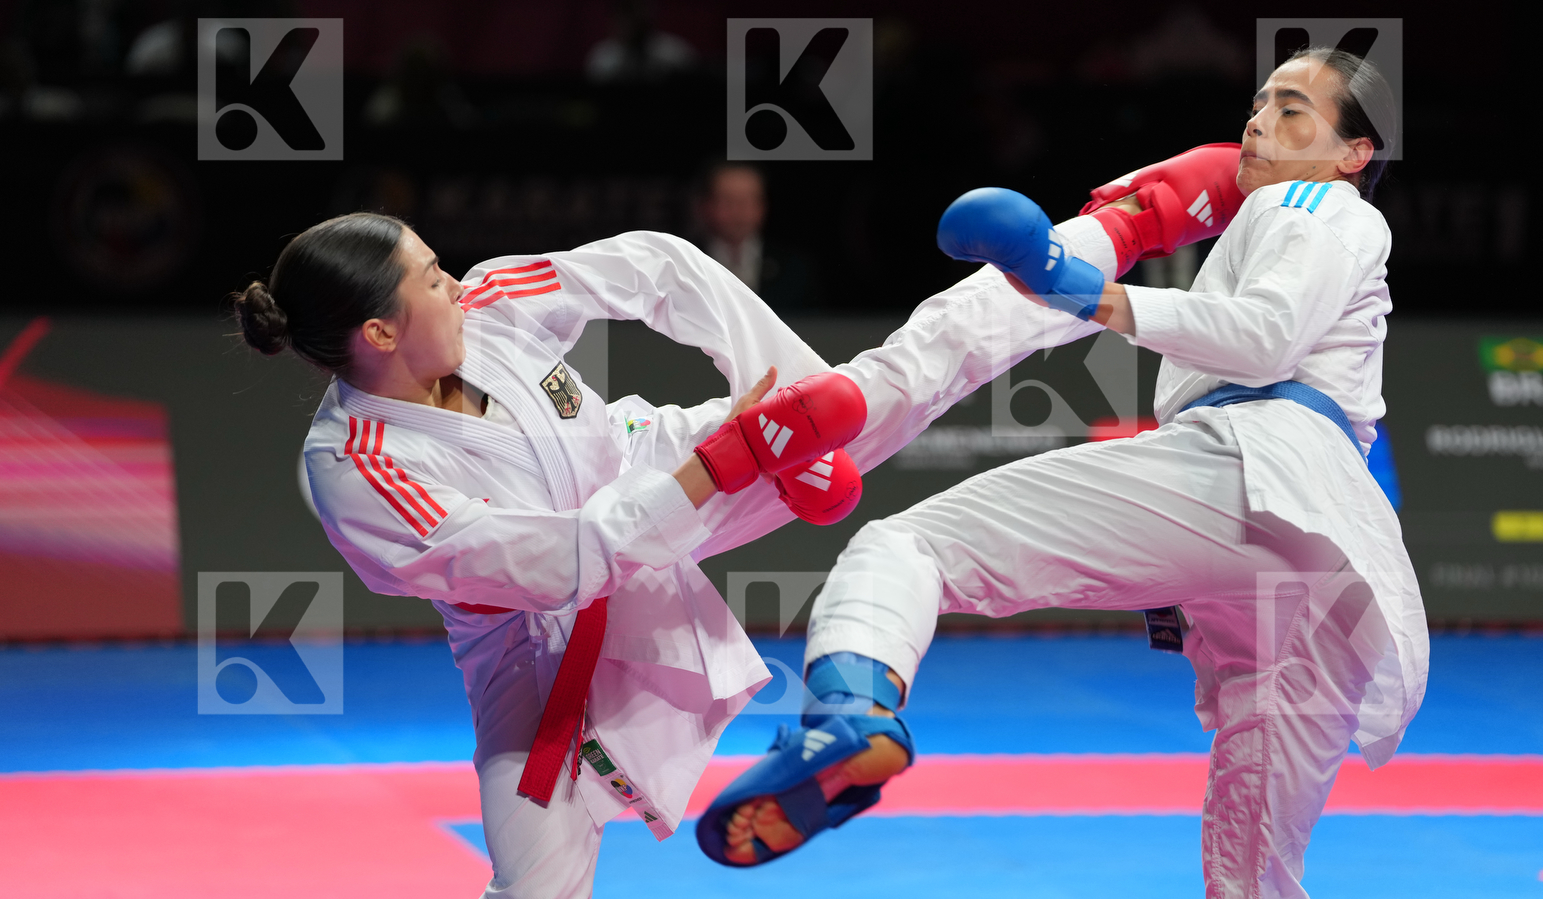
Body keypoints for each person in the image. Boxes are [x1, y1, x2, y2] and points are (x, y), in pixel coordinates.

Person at [233, 164, 1233, 898]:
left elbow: (661, 269)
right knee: (532, 879)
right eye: (430, 277)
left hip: (648, 460)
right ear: (376, 334)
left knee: (899, 380)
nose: (455, 281)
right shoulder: (356, 469)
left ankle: (1112, 230)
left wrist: (793, 411)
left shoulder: (490, 304)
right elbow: (562, 561)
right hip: (533, 644)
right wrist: (718, 464)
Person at [701, 47, 1427, 899]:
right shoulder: (1306, 225)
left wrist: (1088, 292)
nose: (1260, 121)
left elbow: (1263, 337)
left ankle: (846, 715)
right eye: (1259, 104)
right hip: (1326, 565)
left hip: (1252, 471)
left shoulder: (1313, 202)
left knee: (904, 550)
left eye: (1294, 109)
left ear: (1355, 153)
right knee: (1253, 877)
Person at [694, 161, 814, 310]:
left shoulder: (794, 268)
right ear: (706, 204)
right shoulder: (686, 263)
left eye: (748, 200)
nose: (738, 212)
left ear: (763, 205)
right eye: (727, 201)